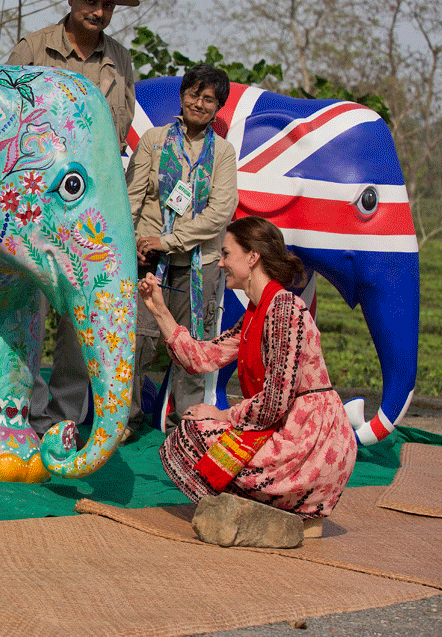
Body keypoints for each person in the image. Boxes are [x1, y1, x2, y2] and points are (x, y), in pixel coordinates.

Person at [141, 216, 357, 529]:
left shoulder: (284, 310)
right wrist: (159, 309)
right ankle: (269, 509)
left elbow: (274, 402)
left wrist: (220, 415)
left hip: (312, 443)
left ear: (252, 256)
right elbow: (203, 357)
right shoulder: (257, 314)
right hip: (285, 429)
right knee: (192, 432)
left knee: (197, 434)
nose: (222, 263)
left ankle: (291, 507)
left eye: (227, 254)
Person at [7, 0, 140, 442]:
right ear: (71, 1)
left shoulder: (120, 60)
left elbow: (119, 130)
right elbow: (5, 117)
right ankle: (17, 407)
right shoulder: (33, 48)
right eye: (90, 1)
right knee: (24, 303)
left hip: (86, 208)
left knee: (80, 309)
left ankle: (61, 417)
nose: (98, 11)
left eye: (106, 5)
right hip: (30, 202)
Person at [127, 64, 238, 427]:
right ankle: (123, 418)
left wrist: (171, 240)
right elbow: (132, 198)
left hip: (198, 261)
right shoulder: (154, 140)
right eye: (194, 94)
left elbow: (220, 212)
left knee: (191, 344)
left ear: (218, 107)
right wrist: (130, 244)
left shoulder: (222, 153)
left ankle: (185, 424)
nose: (199, 103)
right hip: (148, 258)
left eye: (209, 99)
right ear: (182, 95)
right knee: (138, 339)